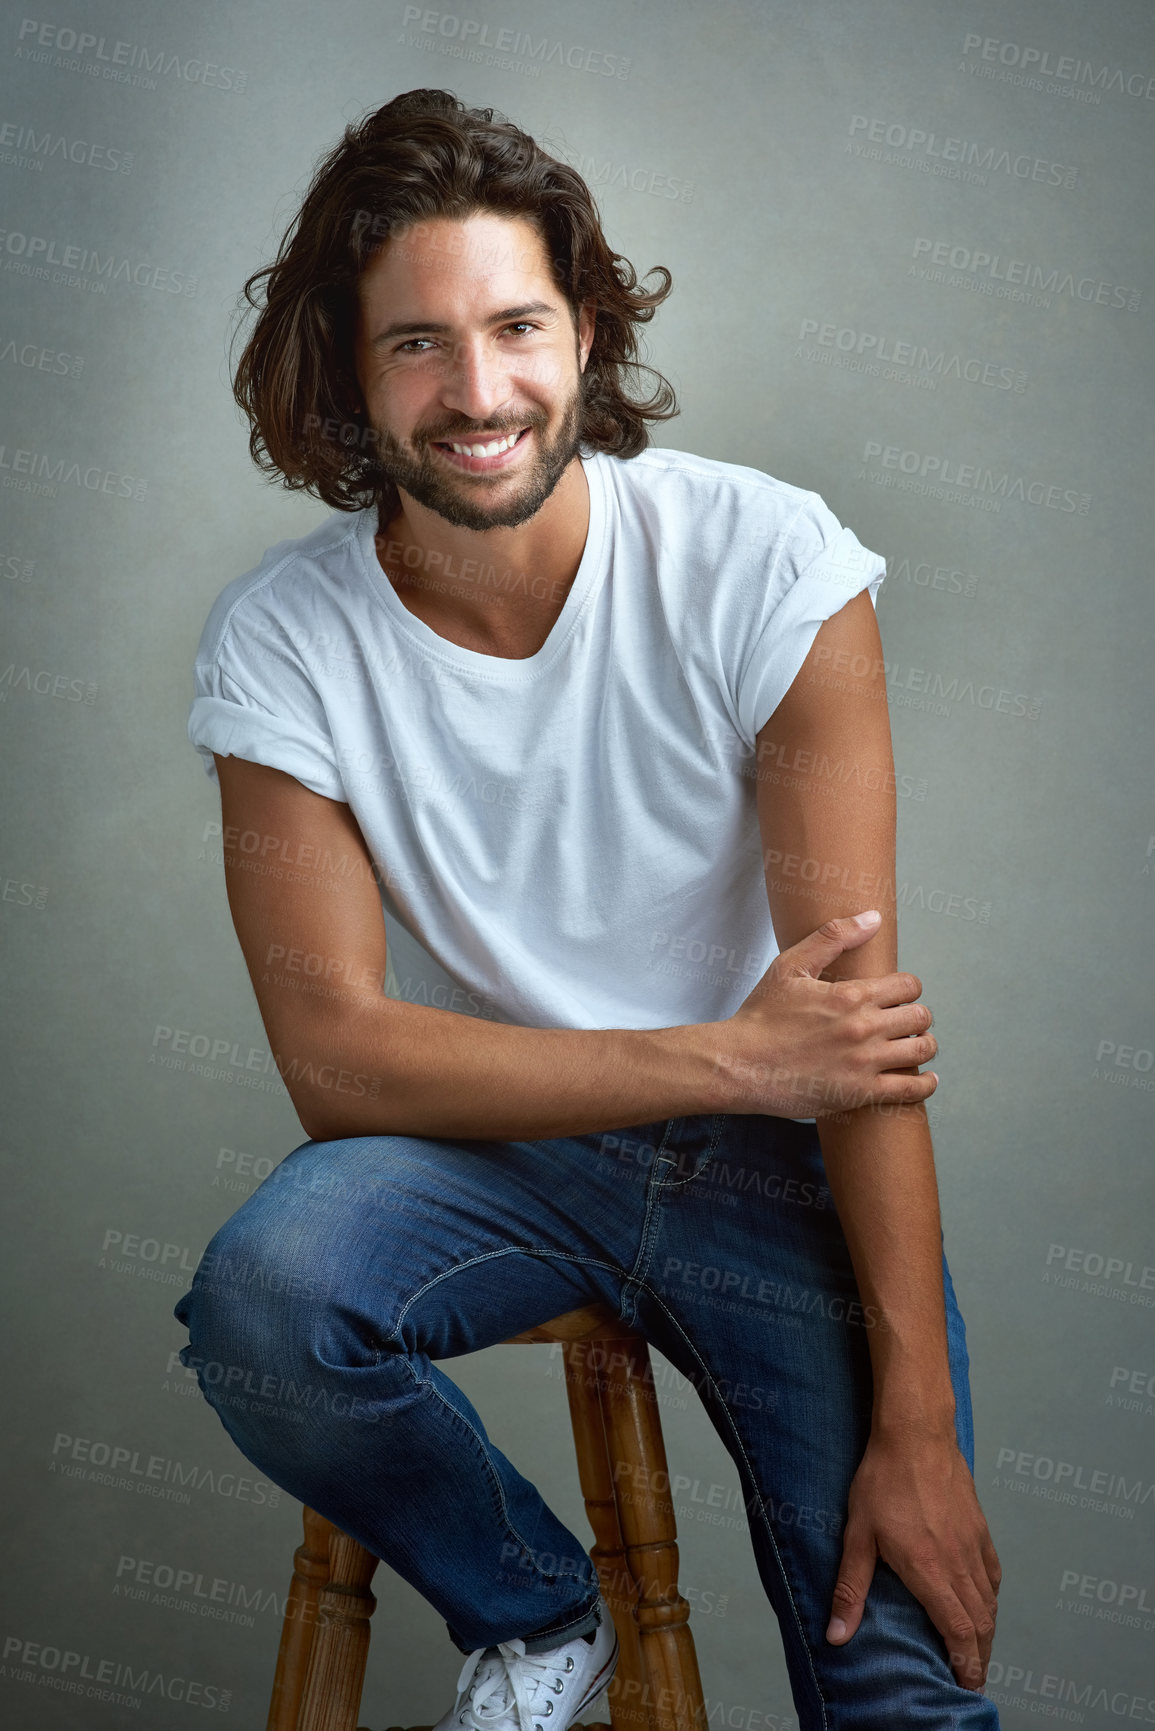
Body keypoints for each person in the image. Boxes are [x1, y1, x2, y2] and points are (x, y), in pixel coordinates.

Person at [173, 88, 1001, 1731]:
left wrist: (919, 1423)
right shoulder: (284, 642)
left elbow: (849, 1043)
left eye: (518, 327)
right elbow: (339, 1070)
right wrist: (732, 1059)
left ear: (589, 328)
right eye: (417, 344)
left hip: (780, 1174)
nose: (478, 394)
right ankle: (543, 1617)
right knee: (268, 1301)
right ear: (343, 365)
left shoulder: (767, 565)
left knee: (905, 1686)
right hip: (494, 1147)